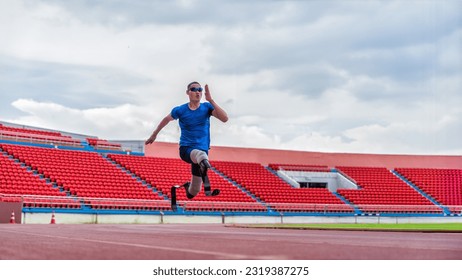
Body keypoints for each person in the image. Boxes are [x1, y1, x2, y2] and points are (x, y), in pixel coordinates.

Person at [145, 81, 228, 199]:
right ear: (188, 92)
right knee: (201, 155)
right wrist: (154, 134)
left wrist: (211, 100)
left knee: (194, 191)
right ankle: (204, 170)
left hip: (202, 153)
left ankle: (187, 187)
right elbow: (166, 119)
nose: (197, 92)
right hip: (187, 150)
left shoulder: (207, 107)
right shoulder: (180, 110)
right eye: (194, 89)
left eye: (200, 89)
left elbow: (225, 118)